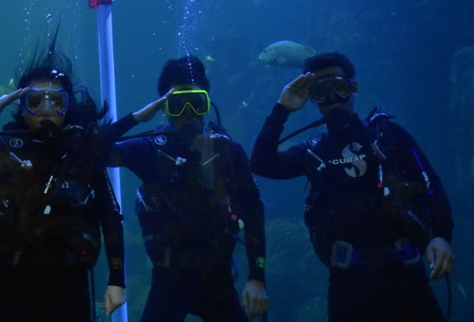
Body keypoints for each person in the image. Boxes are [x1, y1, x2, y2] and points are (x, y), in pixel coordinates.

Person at [250, 52, 454, 322]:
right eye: (321, 92)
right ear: (312, 99)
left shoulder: (388, 135)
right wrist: (281, 109)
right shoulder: (313, 151)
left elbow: (430, 183)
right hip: (348, 286)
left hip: (407, 276)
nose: (333, 98)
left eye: (340, 87)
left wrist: (441, 235)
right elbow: (261, 163)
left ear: (353, 88)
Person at [0, 37, 126, 322]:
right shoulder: (3, 149)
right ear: (21, 106)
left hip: (69, 284)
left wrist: (117, 279)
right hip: (9, 282)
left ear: (68, 107)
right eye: (35, 102)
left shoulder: (83, 153)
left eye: (57, 102)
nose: (46, 110)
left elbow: (110, 215)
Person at [101, 56, 268, 321]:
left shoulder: (228, 152)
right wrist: (136, 118)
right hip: (167, 283)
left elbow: (254, 210)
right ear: (163, 108)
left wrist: (257, 277)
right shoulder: (149, 149)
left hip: (218, 280)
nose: (188, 114)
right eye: (177, 105)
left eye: (197, 103)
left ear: (207, 105)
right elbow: (91, 152)